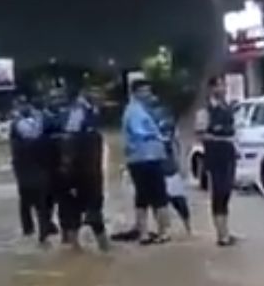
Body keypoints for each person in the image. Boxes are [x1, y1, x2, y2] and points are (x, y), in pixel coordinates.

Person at [49, 87, 111, 251]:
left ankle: (77, 249)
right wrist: (67, 166)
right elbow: (70, 138)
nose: (101, 98)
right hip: (80, 171)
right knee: (87, 209)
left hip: (88, 169)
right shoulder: (78, 113)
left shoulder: (89, 112)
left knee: (84, 208)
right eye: (97, 94)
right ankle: (87, 247)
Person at [121, 80, 172, 245]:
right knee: (154, 195)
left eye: (149, 91)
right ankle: (156, 232)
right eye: (144, 91)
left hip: (146, 157)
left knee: (148, 196)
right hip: (144, 158)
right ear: (135, 93)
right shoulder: (134, 111)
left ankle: (152, 232)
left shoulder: (143, 110)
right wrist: (160, 137)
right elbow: (139, 132)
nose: (148, 95)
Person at [195, 76, 239, 247]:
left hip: (229, 154)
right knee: (218, 194)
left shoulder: (227, 108)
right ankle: (221, 236)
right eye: (220, 86)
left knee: (227, 193)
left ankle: (226, 231)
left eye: (224, 86)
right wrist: (219, 139)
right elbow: (200, 134)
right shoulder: (205, 111)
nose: (223, 89)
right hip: (215, 156)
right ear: (211, 89)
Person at [9, 95, 56, 242]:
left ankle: (36, 230)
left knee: (33, 199)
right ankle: (36, 230)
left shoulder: (31, 122)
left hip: (29, 165)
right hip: (30, 165)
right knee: (33, 199)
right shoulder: (23, 123)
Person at [157, 110, 193, 236]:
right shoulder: (168, 134)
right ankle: (188, 230)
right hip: (169, 172)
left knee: (162, 204)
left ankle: (163, 232)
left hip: (164, 172)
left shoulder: (160, 133)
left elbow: (178, 149)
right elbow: (178, 149)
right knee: (177, 203)